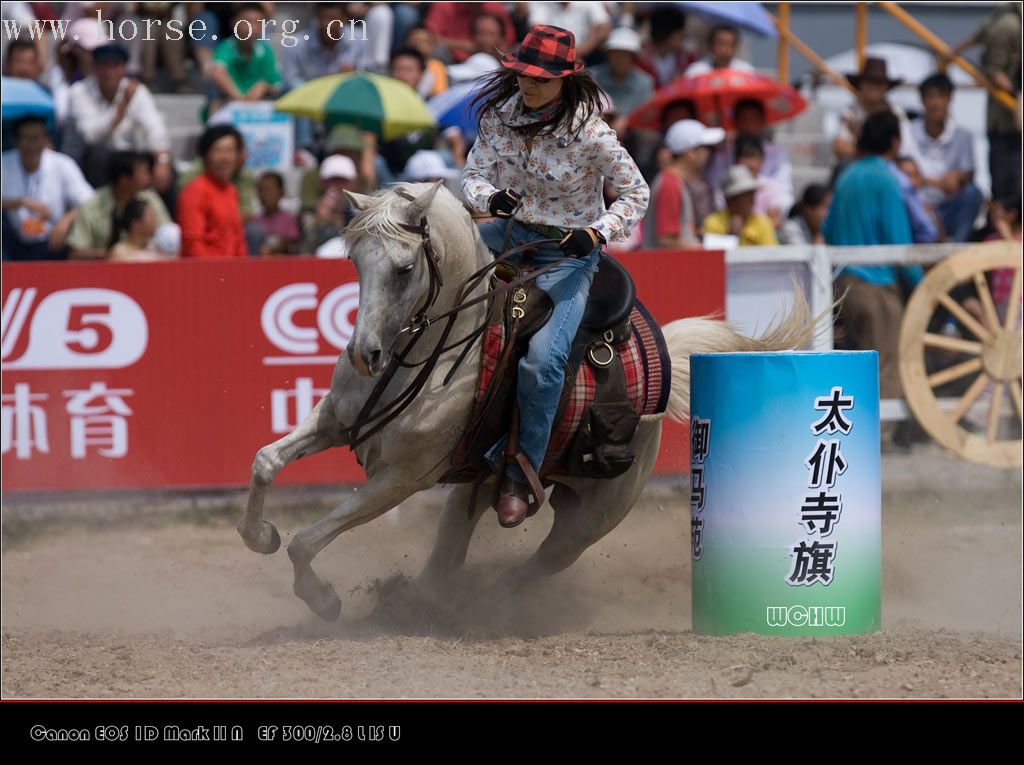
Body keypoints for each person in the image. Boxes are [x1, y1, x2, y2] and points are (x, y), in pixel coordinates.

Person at [462, 25, 649, 528]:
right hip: (508, 237)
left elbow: (636, 194)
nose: (528, 84)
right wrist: (488, 200)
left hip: (568, 256)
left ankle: (522, 473)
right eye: (523, 74)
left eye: (540, 79)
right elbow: (473, 176)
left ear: (566, 79)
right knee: (438, 298)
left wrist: (598, 233)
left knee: (544, 361)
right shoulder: (500, 118)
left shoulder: (593, 134)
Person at [823, 110, 920, 436]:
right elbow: (899, 240)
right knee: (887, 366)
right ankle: (879, 442)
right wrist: (921, 284)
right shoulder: (886, 178)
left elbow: (828, 228)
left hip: (844, 284)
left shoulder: (847, 176)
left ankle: (856, 436)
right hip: (877, 285)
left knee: (858, 370)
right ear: (895, 141)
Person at [63, 43, 173, 191]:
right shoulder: (79, 92)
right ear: (94, 67)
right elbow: (91, 137)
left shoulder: (137, 91)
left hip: (125, 157)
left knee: (165, 167)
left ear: (124, 69)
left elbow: (154, 126)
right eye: (104, 65)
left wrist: (162, 159)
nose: (109, 72)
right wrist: (121, 107)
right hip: (85, 159)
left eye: (115, 65)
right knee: (100, 156)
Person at [948, 2, 1022, 199]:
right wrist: (1017, 94)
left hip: (1011, 127)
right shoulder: (1009, 26)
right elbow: (994, 70)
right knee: (1009, 199)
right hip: (1008, 128)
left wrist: (953, 51)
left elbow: (979, 35)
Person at [1, 116, 94, 261]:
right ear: (15, 141)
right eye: (27, 138)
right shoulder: (4, 163)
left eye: (37, 138)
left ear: (45, 140)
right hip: (12, 241)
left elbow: (90, 202)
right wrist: (21, 202)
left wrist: (66, 221)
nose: (32, 145)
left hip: (52, 240)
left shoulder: (63, 164)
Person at [911, 73, 984, 243]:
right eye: (930, 97)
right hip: (917, 209)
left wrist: (958, 177)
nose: (935, 103)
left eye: (940, 96)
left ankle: (956, 250)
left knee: (974, 193)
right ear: (922, 101)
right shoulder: (908, 131)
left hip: (948, 209)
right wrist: (937, 183)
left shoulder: (963, 136)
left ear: (950, 99)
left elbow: (968, 175)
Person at [67, 150, 171, 260]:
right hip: (102, 272)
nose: (148, 177)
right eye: (142, 173)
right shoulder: (92, 206)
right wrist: (111, 255)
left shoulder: (151, 201)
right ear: (124, 179)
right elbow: (75, 253)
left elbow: (167, 235)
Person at [647, 119, 724, 248]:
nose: (709, 153)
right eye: (706, 148)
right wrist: (702, 248)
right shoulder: (670, 184)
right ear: (690, 152)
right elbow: (666, 240)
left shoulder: (674, 181)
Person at [176, 125, 248, 258]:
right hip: (204, 272)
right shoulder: (195, 191)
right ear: (205, 155)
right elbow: (193, 243)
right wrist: (213, 272)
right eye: (218, 150)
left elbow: (238, 238)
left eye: (230, 150)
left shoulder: (231, 190)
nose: (225, 157)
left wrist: (242, 269)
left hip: (232, 271)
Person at [833, 57, 919, 165]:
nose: (874, 88)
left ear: (886, 87)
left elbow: (905, 149)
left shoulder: (896, 112)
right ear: (860, 85)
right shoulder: (850, 111)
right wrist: (880, 153)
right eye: (870, 83)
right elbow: (841, 147)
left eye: (879, 83)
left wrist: (863, 149)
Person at [205, 3, 283, 115]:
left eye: (257, 22)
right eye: (246, 21)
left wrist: (264, 86)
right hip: (228, 107)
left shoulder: (266, 51)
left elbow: (277, 84)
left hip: (258, 112)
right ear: (234, 24)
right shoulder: (226, 47)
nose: (251, 26)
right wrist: (240, 99)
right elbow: (216, 72)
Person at [589, 27, 655, 137]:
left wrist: (627, 120)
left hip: (631, 133)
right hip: (594, 129)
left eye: (624, 55)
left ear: (633, 57)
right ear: (608, 55)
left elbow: (646, 113)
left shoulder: (645, 82)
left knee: (649, 137)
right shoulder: (591, 76)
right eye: (615, 54)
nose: (619, 59)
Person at [702, 165, 778, 246]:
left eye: (752, 195)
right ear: (731, 200)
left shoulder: (762, 223)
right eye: (745, 196)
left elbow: (772, 255)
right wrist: (731, 236)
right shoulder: (713, 223)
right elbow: (713, 256)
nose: (751, 200)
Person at [732, 134, 793, 229]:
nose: (751, 163)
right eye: (746, 157)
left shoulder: (770, 188)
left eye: (754, 157)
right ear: (737, 160)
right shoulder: (729, 186)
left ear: (762, 161)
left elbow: (776, 222)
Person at [424, 2, 516, 64]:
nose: (486, 39)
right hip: (453, 61)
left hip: (494, 61)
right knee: (437, 51)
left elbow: (508, 40)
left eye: (491, 34)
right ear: (472, 35)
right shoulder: (444, 5)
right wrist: (466, 46)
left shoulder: (496, 8)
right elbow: (428, 38)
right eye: (482, 33)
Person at [254, 171, 300, 256]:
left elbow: (293, 243)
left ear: (281, 192)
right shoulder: (255, 221)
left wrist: (274, 248)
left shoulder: (289, 219)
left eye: (269, 190)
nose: (264, 195)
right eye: (261, 190)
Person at [683, 25, 755, 77]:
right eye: (721, 44)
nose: (725, 50)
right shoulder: (696, 72)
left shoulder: (746, 72)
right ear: (711, 46)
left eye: (730, 45)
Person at [108, 196, 163, 261]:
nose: (155, 221)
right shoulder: (118, 252)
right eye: (151, 216)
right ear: (136, 224)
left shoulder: (155, 248)